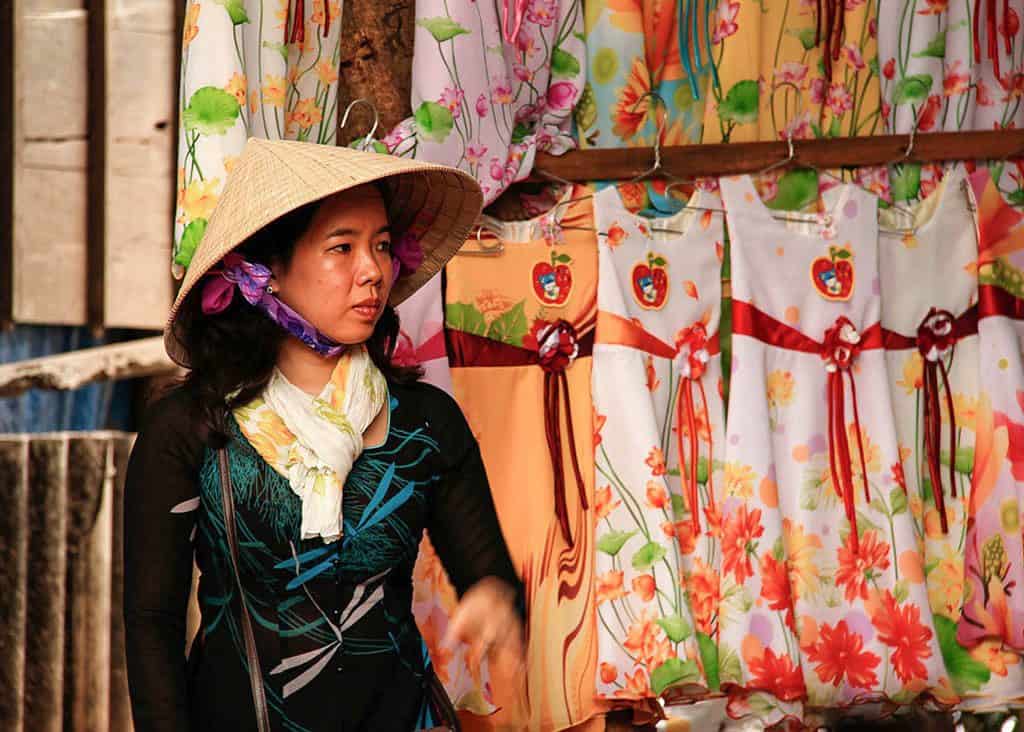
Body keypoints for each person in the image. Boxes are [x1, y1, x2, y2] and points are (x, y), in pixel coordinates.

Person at [123, 138, 526, 731]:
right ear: (269, 273)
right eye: (343, 247)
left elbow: (488, 571)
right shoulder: (187, 427)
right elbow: (151, 620)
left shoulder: (425, 421)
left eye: (383, 246)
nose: (373, 270)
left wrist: (494, 597)